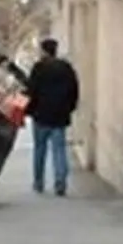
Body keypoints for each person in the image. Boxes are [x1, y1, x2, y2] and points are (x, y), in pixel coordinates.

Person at [24, 38, 79, 196]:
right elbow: (74, 90)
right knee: (59, 150)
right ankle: (60, 182)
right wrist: (69, 108)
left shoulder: (38, 68)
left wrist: (29, 110)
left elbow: (31, 91)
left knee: (39, 150)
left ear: (43, 51)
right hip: (59, 116)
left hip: (41, 115)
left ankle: (38, 182)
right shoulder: (66, 68)